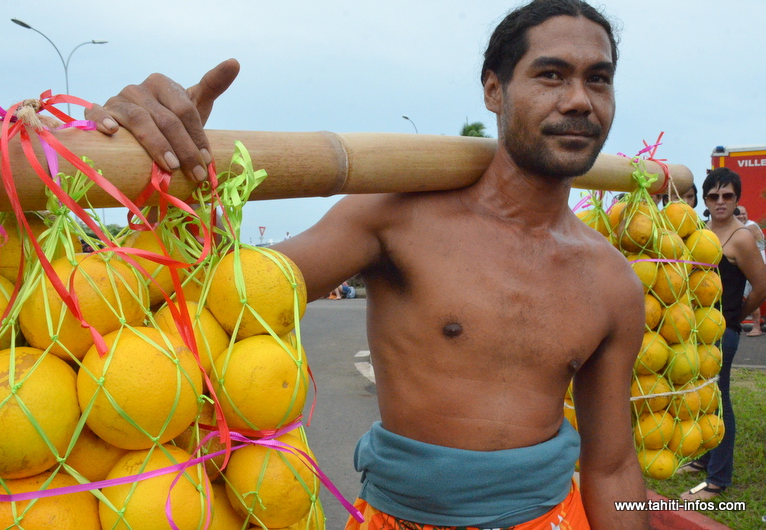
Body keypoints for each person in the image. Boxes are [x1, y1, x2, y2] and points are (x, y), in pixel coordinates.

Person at [86, 1, 649, 527]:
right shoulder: (398, 218)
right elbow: (220, 299)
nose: (579, 99)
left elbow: (612, 467)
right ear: (494, 90)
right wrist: (166, 177)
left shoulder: (610, 282)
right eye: (551, 75)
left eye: (598, 78)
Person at [676, 168, 766, 501]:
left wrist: (738, 316)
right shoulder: (701, 230)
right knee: (701, 398)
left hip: (721, 331)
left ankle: (717, 480)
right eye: (713, 196)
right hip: (696, 330)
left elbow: (761, 285)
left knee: (719, 401)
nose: (720, 202)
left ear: (737, 197)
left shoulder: (741, 237)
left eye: (727, 195)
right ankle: (703, 459)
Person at [735, 205, 765, 336]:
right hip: (753, 265)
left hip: (755, 266)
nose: (741, 216)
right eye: (738, 214)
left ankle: (756, 327)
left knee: (753, 296)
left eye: (743, 213)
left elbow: (760, 244)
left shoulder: (749, 226)